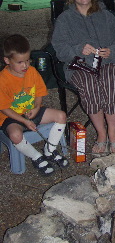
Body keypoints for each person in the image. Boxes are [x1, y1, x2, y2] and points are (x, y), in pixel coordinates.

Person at [51, 0, 115, 155]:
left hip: (106, 63)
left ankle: (113, 134)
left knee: (110, 80)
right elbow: (59, 49)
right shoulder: (65, 20)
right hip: (78, 66)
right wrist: (77, 49)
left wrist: (112, 51)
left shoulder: (106, 16)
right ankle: (101, 134)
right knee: (90, 85)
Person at [0, 34, 68, 176]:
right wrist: (24, 121)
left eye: (27, 60)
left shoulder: (31, 71)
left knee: (61, 116)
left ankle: (49, 151)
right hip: (11, 117)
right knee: (16, 135)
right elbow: (5, 108)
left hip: (31, 110)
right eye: (19, 62)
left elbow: (39, 92)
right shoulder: (3, 80)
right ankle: (36, 157)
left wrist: (37, 107)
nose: (25, 65)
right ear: (7, 60)